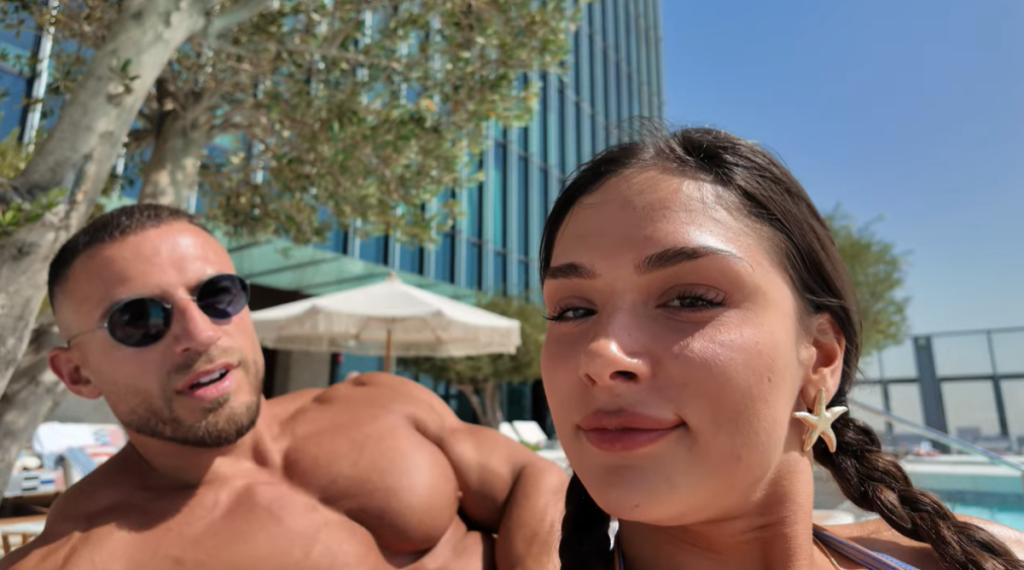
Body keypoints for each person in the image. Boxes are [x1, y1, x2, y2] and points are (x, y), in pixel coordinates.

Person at [538, 127, 1024, 570]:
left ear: (821, 355)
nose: (601, 353)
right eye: (573, 311)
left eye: (690, 300)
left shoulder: (983, 559)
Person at [0, 204, 567, 570]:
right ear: (77, 374)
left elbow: (534, 479)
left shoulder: (377, 400)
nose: (200, 334)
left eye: (217, 296)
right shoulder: (82, 554)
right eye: (141, 319)